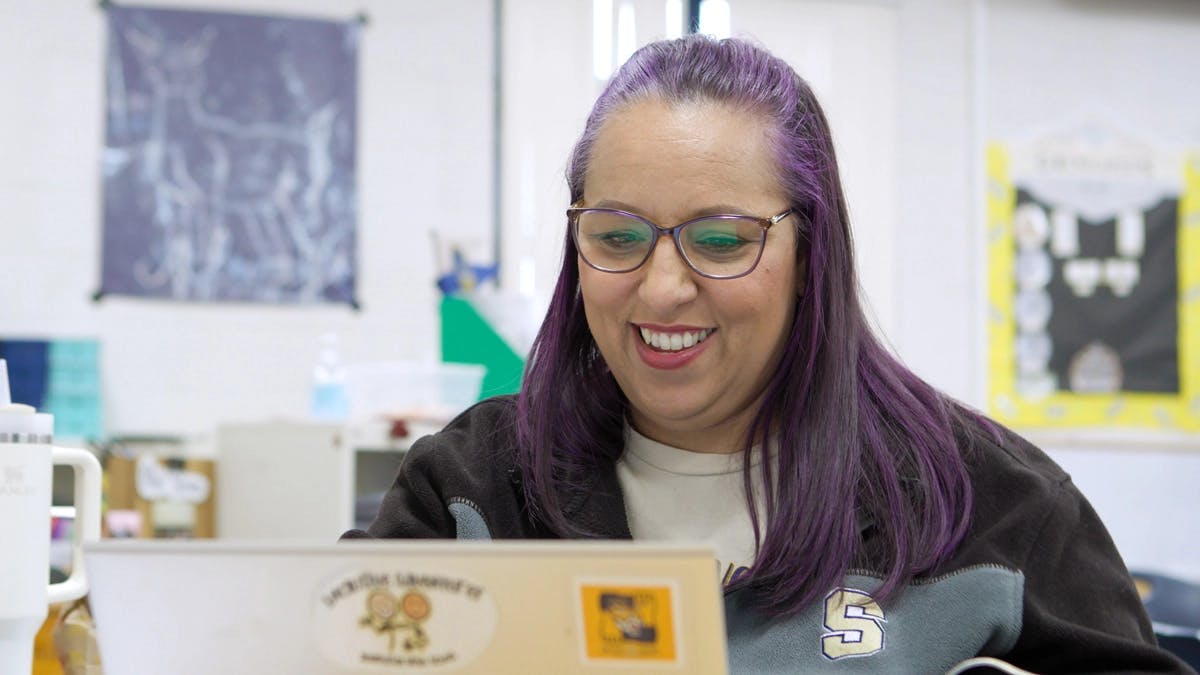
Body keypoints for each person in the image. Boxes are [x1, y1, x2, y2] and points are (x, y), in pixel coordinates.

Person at [345, 35, 1191, 673]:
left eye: (720, 240)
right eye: (617, 235)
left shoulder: (995, 512)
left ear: (810, 257)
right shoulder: (471, 491)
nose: (663, 287)